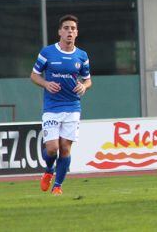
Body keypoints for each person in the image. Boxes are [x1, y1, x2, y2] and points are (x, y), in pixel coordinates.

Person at [30, 14, 92, 196]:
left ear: (77, 32)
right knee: (52, 148)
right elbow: (34, 75)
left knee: (65, 148)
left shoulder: (82, 56)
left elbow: (88, 80)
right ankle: (49, 169)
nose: (69, 31)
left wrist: (84, 86)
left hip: (72, 107)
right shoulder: (47, 52)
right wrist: (46, 84)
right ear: (59, 32)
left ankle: (57, 186)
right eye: (66, 28)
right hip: (52, 107)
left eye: (73, 28)